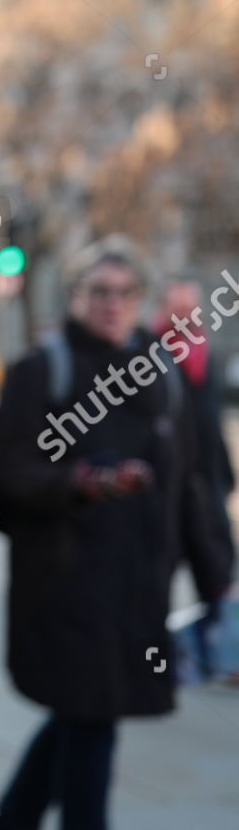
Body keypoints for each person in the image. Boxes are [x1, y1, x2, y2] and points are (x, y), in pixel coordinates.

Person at [0, 237, 220, 830]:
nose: (113, 305)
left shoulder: (160, 372)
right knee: (93, 724)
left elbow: (190, 480)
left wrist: (220, 576)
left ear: (141, 302)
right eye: (99, 293)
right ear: (77, 297)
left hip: (138, 587)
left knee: (85, 719)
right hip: (66, 588)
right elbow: (7, 476)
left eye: (125, 294)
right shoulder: (43, 368)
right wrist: (81, 483)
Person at [153, 277, 237, 682]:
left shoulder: (209, 352)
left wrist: (226, 474)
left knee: (220, 567)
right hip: (172, 485)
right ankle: (154, 654)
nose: (186, 318)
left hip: (209, 483)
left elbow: (212, 421)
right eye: (178, 311)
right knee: (160, 571)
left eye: (192, 310)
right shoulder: (147, 356)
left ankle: (223, 652)